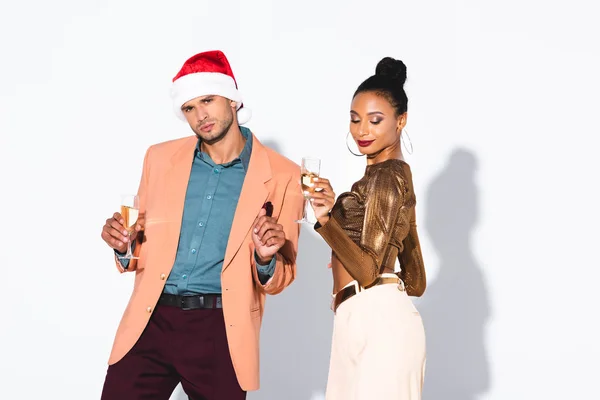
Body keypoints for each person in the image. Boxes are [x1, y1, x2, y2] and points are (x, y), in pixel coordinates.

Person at [99, 50, 304, 400]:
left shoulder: (283, 176)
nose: (200, 116)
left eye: (207, 100)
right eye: (189, 108)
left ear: (233, 99)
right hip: (152, 320)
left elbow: (281, 277)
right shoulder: (159, 159)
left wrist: (266, 259)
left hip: (221, 328)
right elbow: (140, 248)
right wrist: (124, 246)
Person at [307, 57, 427, 399]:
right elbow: (416, 280)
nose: (362, 131)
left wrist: (327, 221)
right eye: (355, 120)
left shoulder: (387, 176)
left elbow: (367, 270)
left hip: (376, 322)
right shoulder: (395, 176)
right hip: (366, 318)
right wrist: (348, 246)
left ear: (400, 120)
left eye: (375, 121)